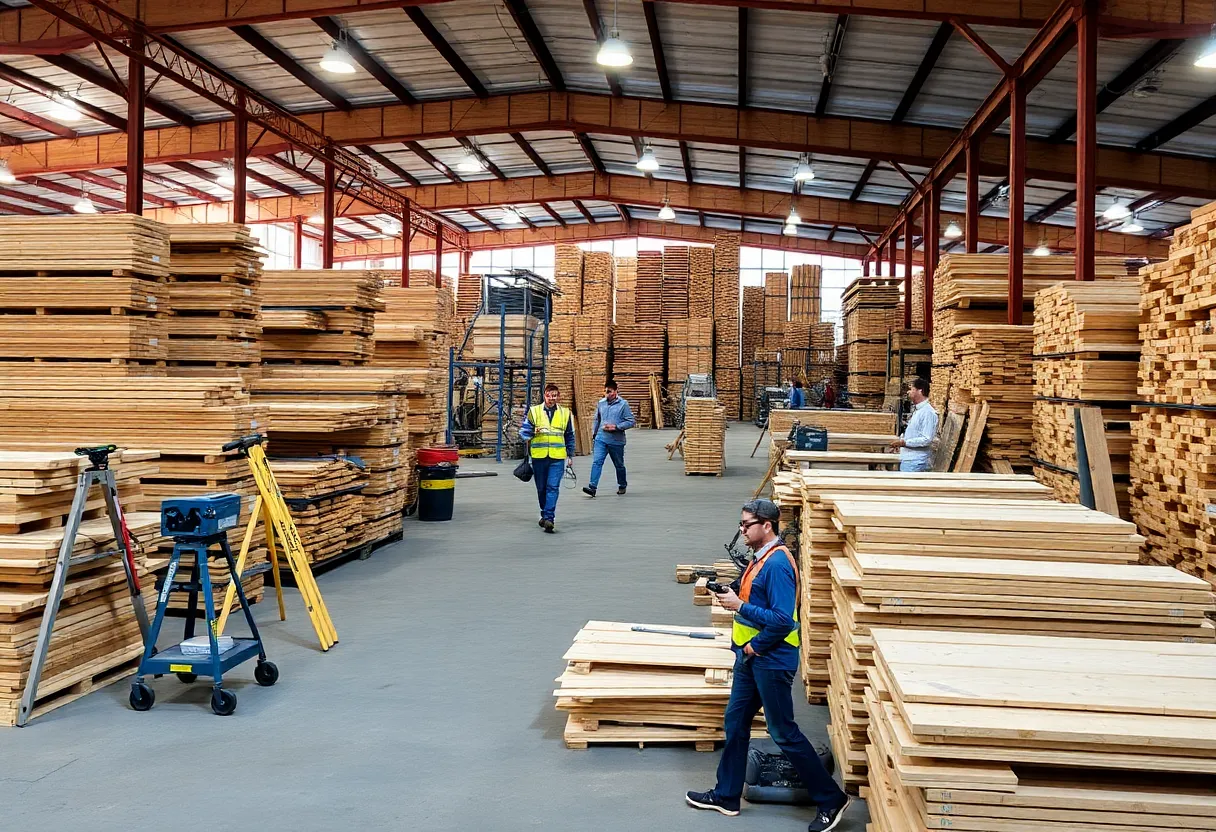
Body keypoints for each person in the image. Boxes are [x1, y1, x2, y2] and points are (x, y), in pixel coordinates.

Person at [686, 499, 851, 832]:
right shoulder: (759, 558)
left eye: (746, 524)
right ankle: (727, 795)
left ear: (767, 525)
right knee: (735, 723)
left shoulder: (777, 564)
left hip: (770, 658)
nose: (741, 530)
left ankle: (831, 799)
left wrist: (745, 623)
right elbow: (753, 594)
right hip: (752, 657)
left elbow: (782, 621)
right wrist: (731, 592)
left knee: (783, 732)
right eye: (741, 523)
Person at [519, 383, 575, 532]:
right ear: (544, 395)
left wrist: (570, 455)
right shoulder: (534, 411)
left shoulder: (565, 413)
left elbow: (569, 435)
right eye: (549, 395)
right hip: (539, 456)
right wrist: (532, 432)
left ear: (558, 396)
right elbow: (523, 432)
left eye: (555, 395)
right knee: (541, 488)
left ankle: (549, 518)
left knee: (553, 487)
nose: (552, 398)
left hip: (557, 457)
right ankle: (544, 514)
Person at [583, 379, 635, 497]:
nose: (607, 394)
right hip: (601, 438)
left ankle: (622, 484)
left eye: (610, 392)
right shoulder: (601, 403)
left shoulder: (623, 404)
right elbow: (597, 419)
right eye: (606, 392)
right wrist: (594, 434)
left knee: (619, 464)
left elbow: (631, 421)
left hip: (616, 440)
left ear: (616, 391)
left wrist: (616, 427)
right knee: (597, 462)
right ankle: (592, 487)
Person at [889, 377, 938, 472]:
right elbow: (914, 433)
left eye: (911, 389)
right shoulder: (918, 410)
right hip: (909, 459)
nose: (908, 392)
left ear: (920, 391)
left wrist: (904, 443)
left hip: (916, 462)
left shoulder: (928, 413)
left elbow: (927, 439)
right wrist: (901, 444)